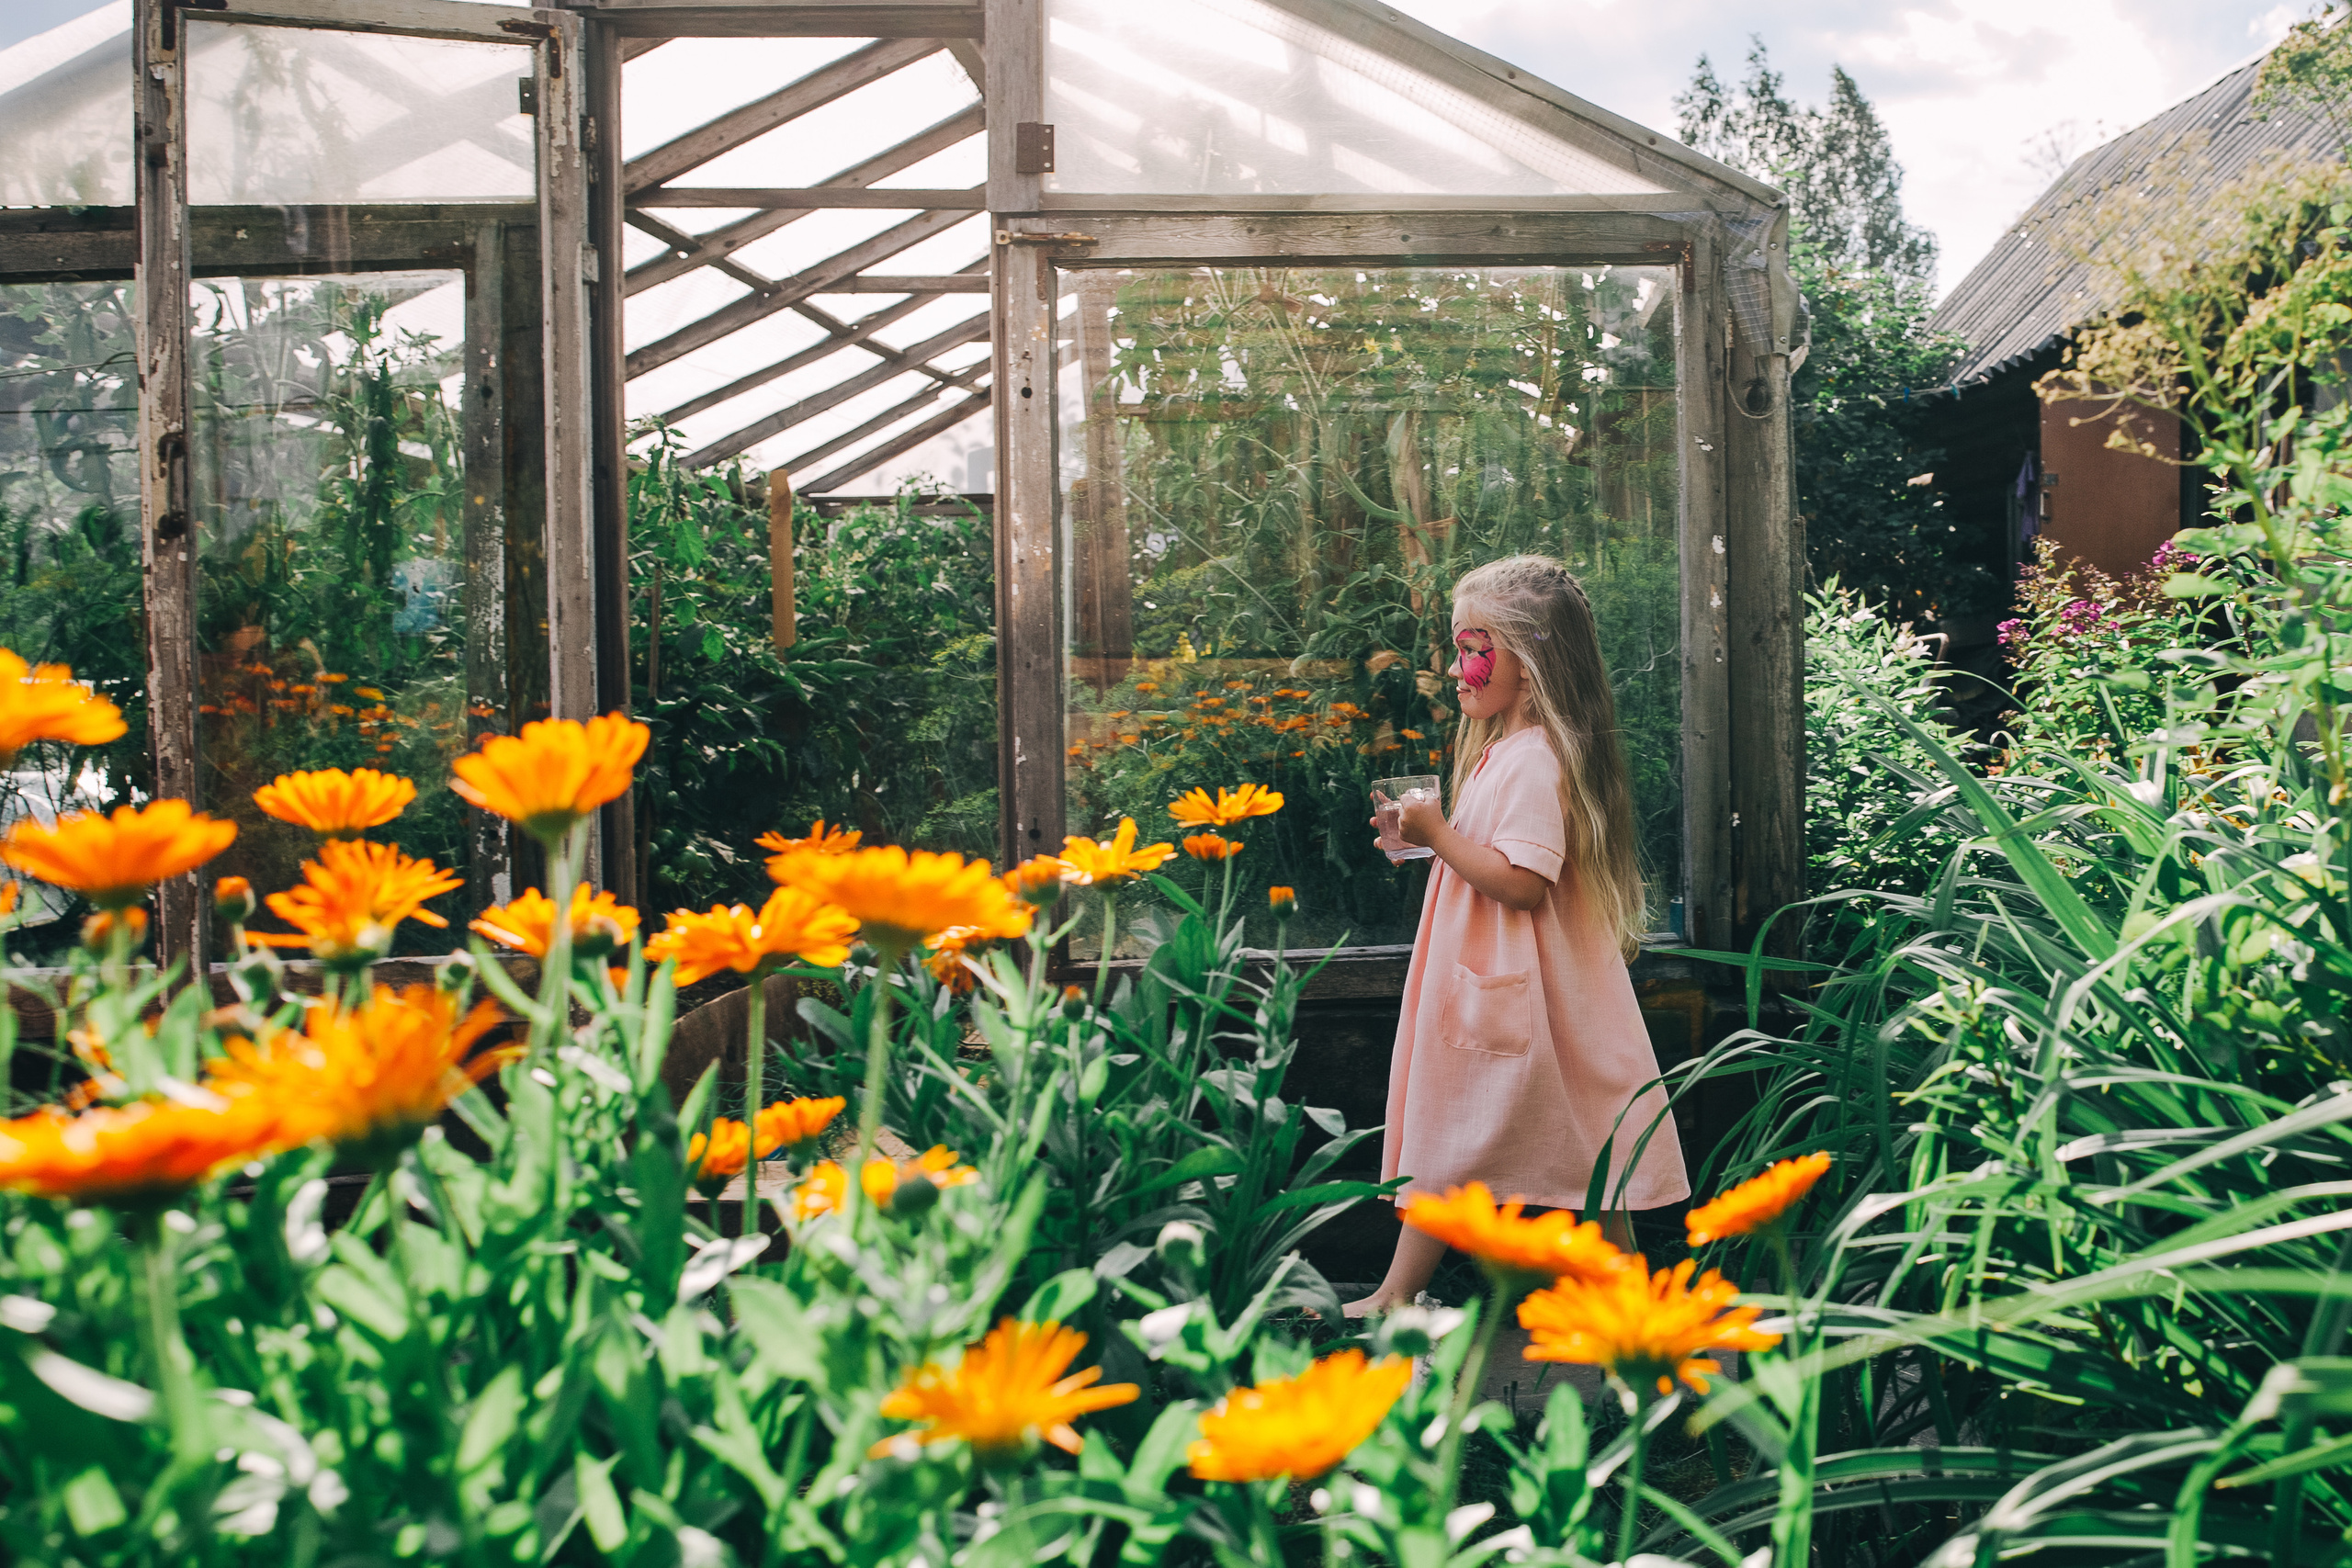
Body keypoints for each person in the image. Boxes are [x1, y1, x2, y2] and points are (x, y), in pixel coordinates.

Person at [1344, 554, 1688, 1318]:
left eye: (1474, 648)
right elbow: (1492, 858)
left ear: (1528, 666)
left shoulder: (1534, 761)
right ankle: (1403, 1289)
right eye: (1459, 648)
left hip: (1514, 988)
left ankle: (1410, 1292)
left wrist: (1437, 831)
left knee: (1479, 1134)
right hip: (1500, 985)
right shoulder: (1507, 753)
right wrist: (1424, 836)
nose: (1458, 668)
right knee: (1494, 1135)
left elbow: (1522, 884)